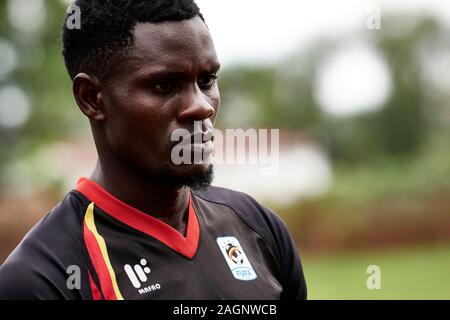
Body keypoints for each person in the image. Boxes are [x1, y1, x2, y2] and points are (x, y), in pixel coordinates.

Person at [0, 0, 307, 300]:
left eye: (207, 79)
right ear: (92, 98)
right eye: (164, 85)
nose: (201, 107)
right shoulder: (41, 279)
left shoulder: (258, 228)